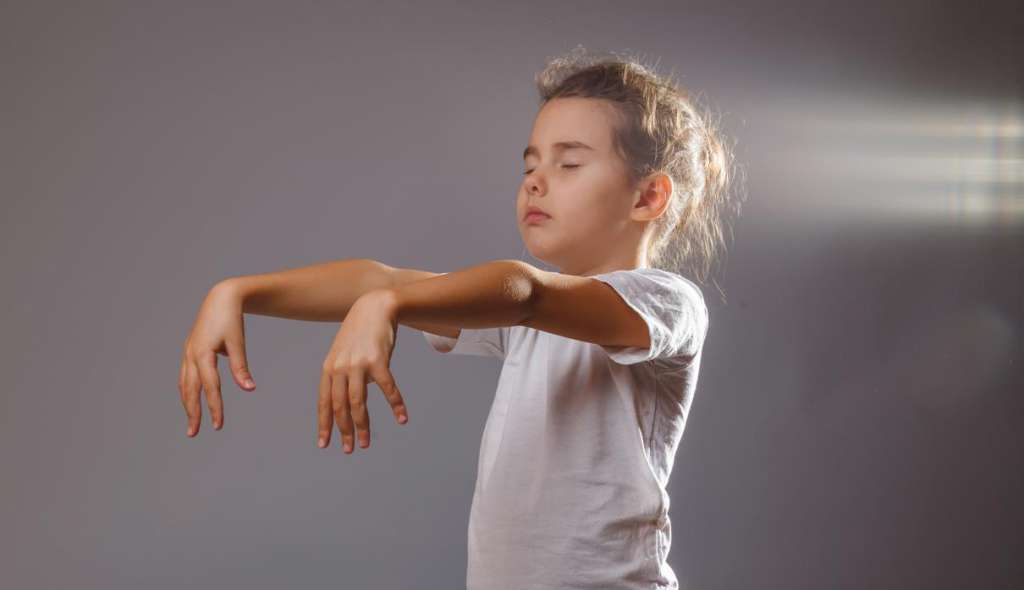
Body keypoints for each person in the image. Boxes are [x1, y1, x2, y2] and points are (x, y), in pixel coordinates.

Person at [178, 45, 743, 589]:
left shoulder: (665, 302)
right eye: (530, 164)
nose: (535, 181)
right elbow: (379, 279)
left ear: (648, 198)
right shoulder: (521, 323)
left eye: (569, 163)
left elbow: (526, 291)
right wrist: (240, 292)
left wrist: (390, 305)